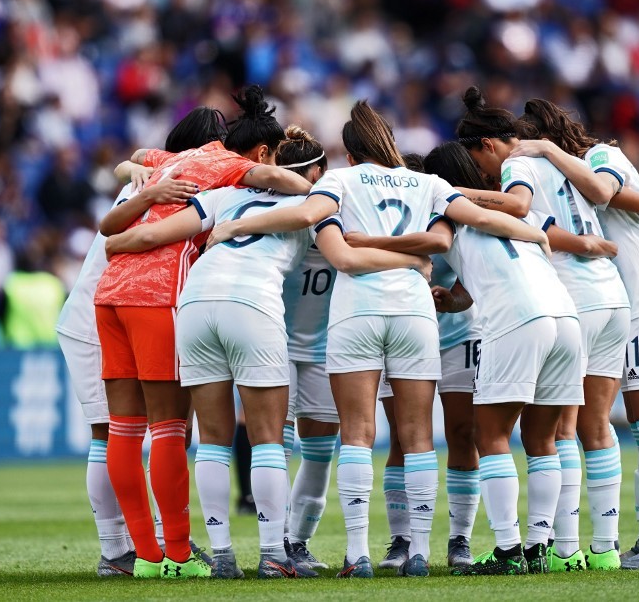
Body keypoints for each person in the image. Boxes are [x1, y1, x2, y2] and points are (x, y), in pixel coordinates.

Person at [203, 100, 554, 578]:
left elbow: (307, 216)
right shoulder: (427, 182)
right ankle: (418, 556)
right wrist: (533, 235)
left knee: (357, 436)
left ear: (350, 154)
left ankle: (357, 554)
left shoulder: (340, 182)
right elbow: (483, 220)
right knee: (418, 439)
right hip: (414, 311)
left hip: (358, 312)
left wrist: (238, 223)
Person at [105, 124, 430, 579]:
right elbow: (351, 254)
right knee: (269, 441)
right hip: (258, 312)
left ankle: (221, 556)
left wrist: (113, 242)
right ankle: (275, 553)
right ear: (314, 172)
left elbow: (145, 236)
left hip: (197, 305)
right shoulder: (318, 208)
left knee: (214, 440)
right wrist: (414, 260)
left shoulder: (225, 196)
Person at [92, 86, 313, 580]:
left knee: (124, 430)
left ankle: (142, 556)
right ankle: (173, 553)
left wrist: (139, 180)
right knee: (171, 429)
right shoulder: (230, 171)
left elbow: (130, 162)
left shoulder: (174, 158)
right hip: (160, 295)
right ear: (258, 150)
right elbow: (278, 179)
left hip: (109, 294)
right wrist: (308, 186)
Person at [454, 87, 630, 572]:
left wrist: (454, 194)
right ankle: (604, 549)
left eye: (480, 164)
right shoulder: (568, 162)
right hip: (613, 298)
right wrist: (590, 243)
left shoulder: (519, 165)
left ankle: (560, 548)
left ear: (489, 145)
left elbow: (516, 208)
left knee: (560, 431)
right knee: (593, 428)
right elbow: (613, 198)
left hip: (570, 297)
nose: (483, 175)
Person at [514, 97, 639, 569]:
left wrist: (549, 153)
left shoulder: (599, 158)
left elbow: (632, 198)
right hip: (628, 302)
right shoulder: (557, 182)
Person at [54, 106, 224, 576]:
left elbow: (127, 161)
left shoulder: (156, 174)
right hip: (101, 315)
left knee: (134, 432)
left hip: (106, 308)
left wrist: (134, 168)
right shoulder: (175, 183)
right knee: (111, 431)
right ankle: (117, 551)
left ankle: (149, 547)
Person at [367, 153, 482, 571]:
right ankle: (403, 540)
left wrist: (453, 300)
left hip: (456, 335)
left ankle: (460, 540)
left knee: (463, 432)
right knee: (401, 435)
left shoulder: (451, 219)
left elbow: (479, 268)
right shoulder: (387, 218)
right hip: (398, 332)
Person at [278, 131, 341, 571]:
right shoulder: (275, 208)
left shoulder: (336, 208)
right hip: (278, 344)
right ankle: (283, 544)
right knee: (298, 450)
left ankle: (292, 544)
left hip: (314, 347)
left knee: (312, 450)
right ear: (318, 172)